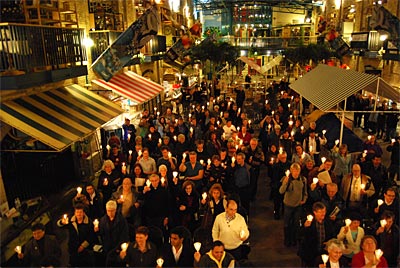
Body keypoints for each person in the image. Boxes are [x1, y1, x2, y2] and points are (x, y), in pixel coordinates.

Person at [298, 202, 336, 267]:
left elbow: (332, 235)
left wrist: (329, 243)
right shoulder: (308, 222)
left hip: (324, 252)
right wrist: (305, 227)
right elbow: (300, 236)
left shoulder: (328, 222)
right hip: (311, 252)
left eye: (324, 211)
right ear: (315, 212)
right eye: (320, 212)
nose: (323, 214)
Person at [279, 162, 307, 247]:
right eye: (294, 171)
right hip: (288, 205)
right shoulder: (286, 179)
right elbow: (281, 191)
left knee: (296, 224)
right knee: (287, 224)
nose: (296, 173)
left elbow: (305, 192)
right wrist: (285, 183)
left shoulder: (303, 179)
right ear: (291, 171)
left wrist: (304, 199)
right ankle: (287, 240)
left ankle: (294, 239)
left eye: (297, 171)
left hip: (298, 205)